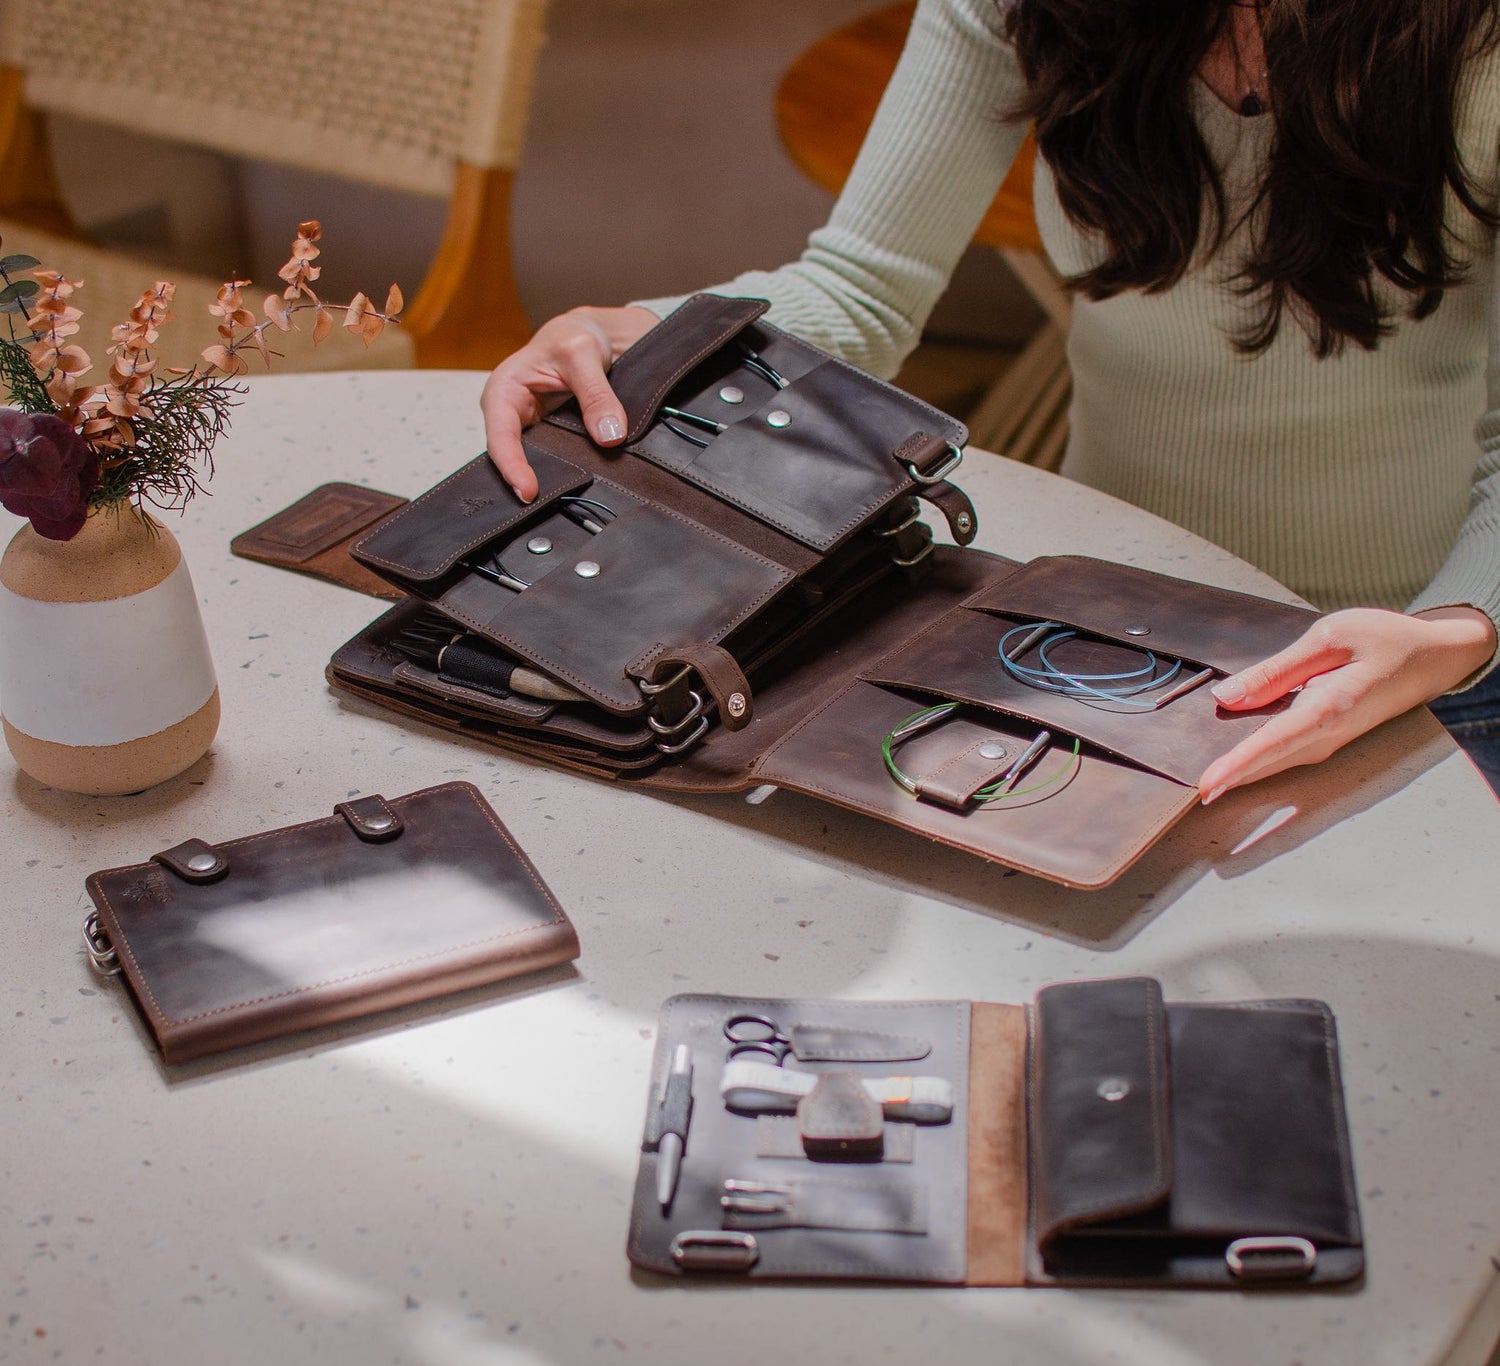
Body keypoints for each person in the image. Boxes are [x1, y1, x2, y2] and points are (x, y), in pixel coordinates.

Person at [481, 0, 1500, 799]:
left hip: (1406, 660)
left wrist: (1456, 631)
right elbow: (862, 291)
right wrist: (649, 335)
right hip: (1092, 635)